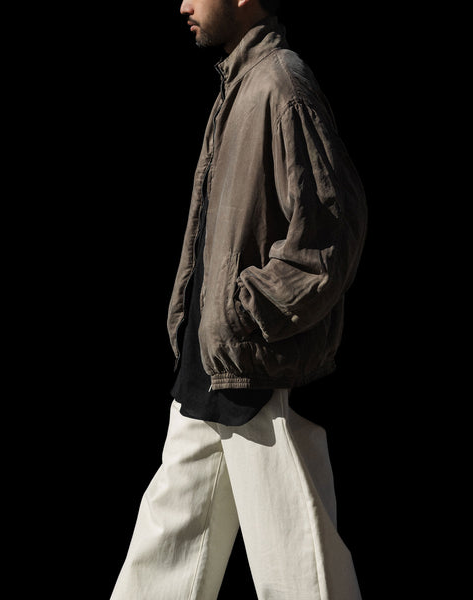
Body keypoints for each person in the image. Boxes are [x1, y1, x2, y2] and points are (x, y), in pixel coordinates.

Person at [111, 0, 367, 598]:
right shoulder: (240, 85)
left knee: (300, 571)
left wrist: (246, 312)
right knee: (162, 558)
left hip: (258, 374)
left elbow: (331, 233)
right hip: (209, 368)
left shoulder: (282, 84)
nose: (183, 4)